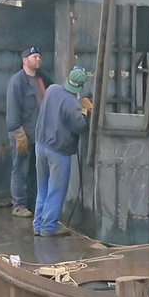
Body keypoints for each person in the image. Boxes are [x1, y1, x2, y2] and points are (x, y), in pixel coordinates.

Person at [33, 67, 92, 237]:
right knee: (56, 190)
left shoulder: (52, 90)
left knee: (42, 188)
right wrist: (85, 113)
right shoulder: (72, 104)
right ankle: (48, 227)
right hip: (58, 151)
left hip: (41, 146)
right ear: (80, 87)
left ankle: (38, 225)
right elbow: (80, 127)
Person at [6, 46, 50, 218]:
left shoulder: (42, 79)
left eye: (39, 56)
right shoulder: (17, 81)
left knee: (35, 170)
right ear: (25, 60)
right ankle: (19, 205)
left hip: (39, 134)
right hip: (22, 134)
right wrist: (18, 133)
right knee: (20, 169)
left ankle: (32, 203)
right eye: (34, 57)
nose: (38, 59)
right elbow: (13, 109)